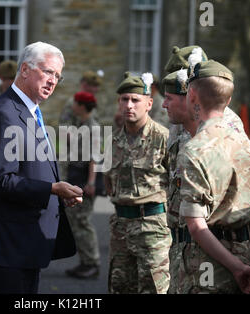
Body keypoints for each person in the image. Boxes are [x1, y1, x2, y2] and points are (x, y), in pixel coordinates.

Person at [0, 41, 84, 294]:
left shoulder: (30, 111)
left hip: (25, 246)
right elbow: (0, 180)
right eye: (48, 72)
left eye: (57, 76)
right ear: (25, 69)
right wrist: (51, 189)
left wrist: (57, 190)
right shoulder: (4, 113)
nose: (53, 81)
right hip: (6, 249)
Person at [176, 60, 250, 294]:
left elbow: (197, 226)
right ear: (228, 101)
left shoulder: (194, 150)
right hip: (245, 255)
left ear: (192, 96)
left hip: (206, 265)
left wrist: (237, 269)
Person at [161, 46, 247, 293]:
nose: (180, 83)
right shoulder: (180, 122)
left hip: (212, 242)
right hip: (183, 239)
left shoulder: (223, 123)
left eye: (183, 76)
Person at [104, 72, 171, 294]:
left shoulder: (164, 138)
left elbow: (177, 186)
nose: (129, 105)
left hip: (152, 227)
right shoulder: (112, 140)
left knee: (153, 289)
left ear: (149, 103)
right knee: (119, 287)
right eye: (124, 99)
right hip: (120, 228)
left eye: (135, 100)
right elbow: (109, 182)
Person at [64, 91, 101, 279]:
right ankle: (85, 261)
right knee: (76, 221)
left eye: (76, 102)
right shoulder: (81, 124)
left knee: (83, 221)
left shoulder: (92, 127)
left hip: (84, 179)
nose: (72, 105)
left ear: (82, 106)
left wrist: (91, 182)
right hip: (76, 176)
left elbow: (94, 157)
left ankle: (92, 262)